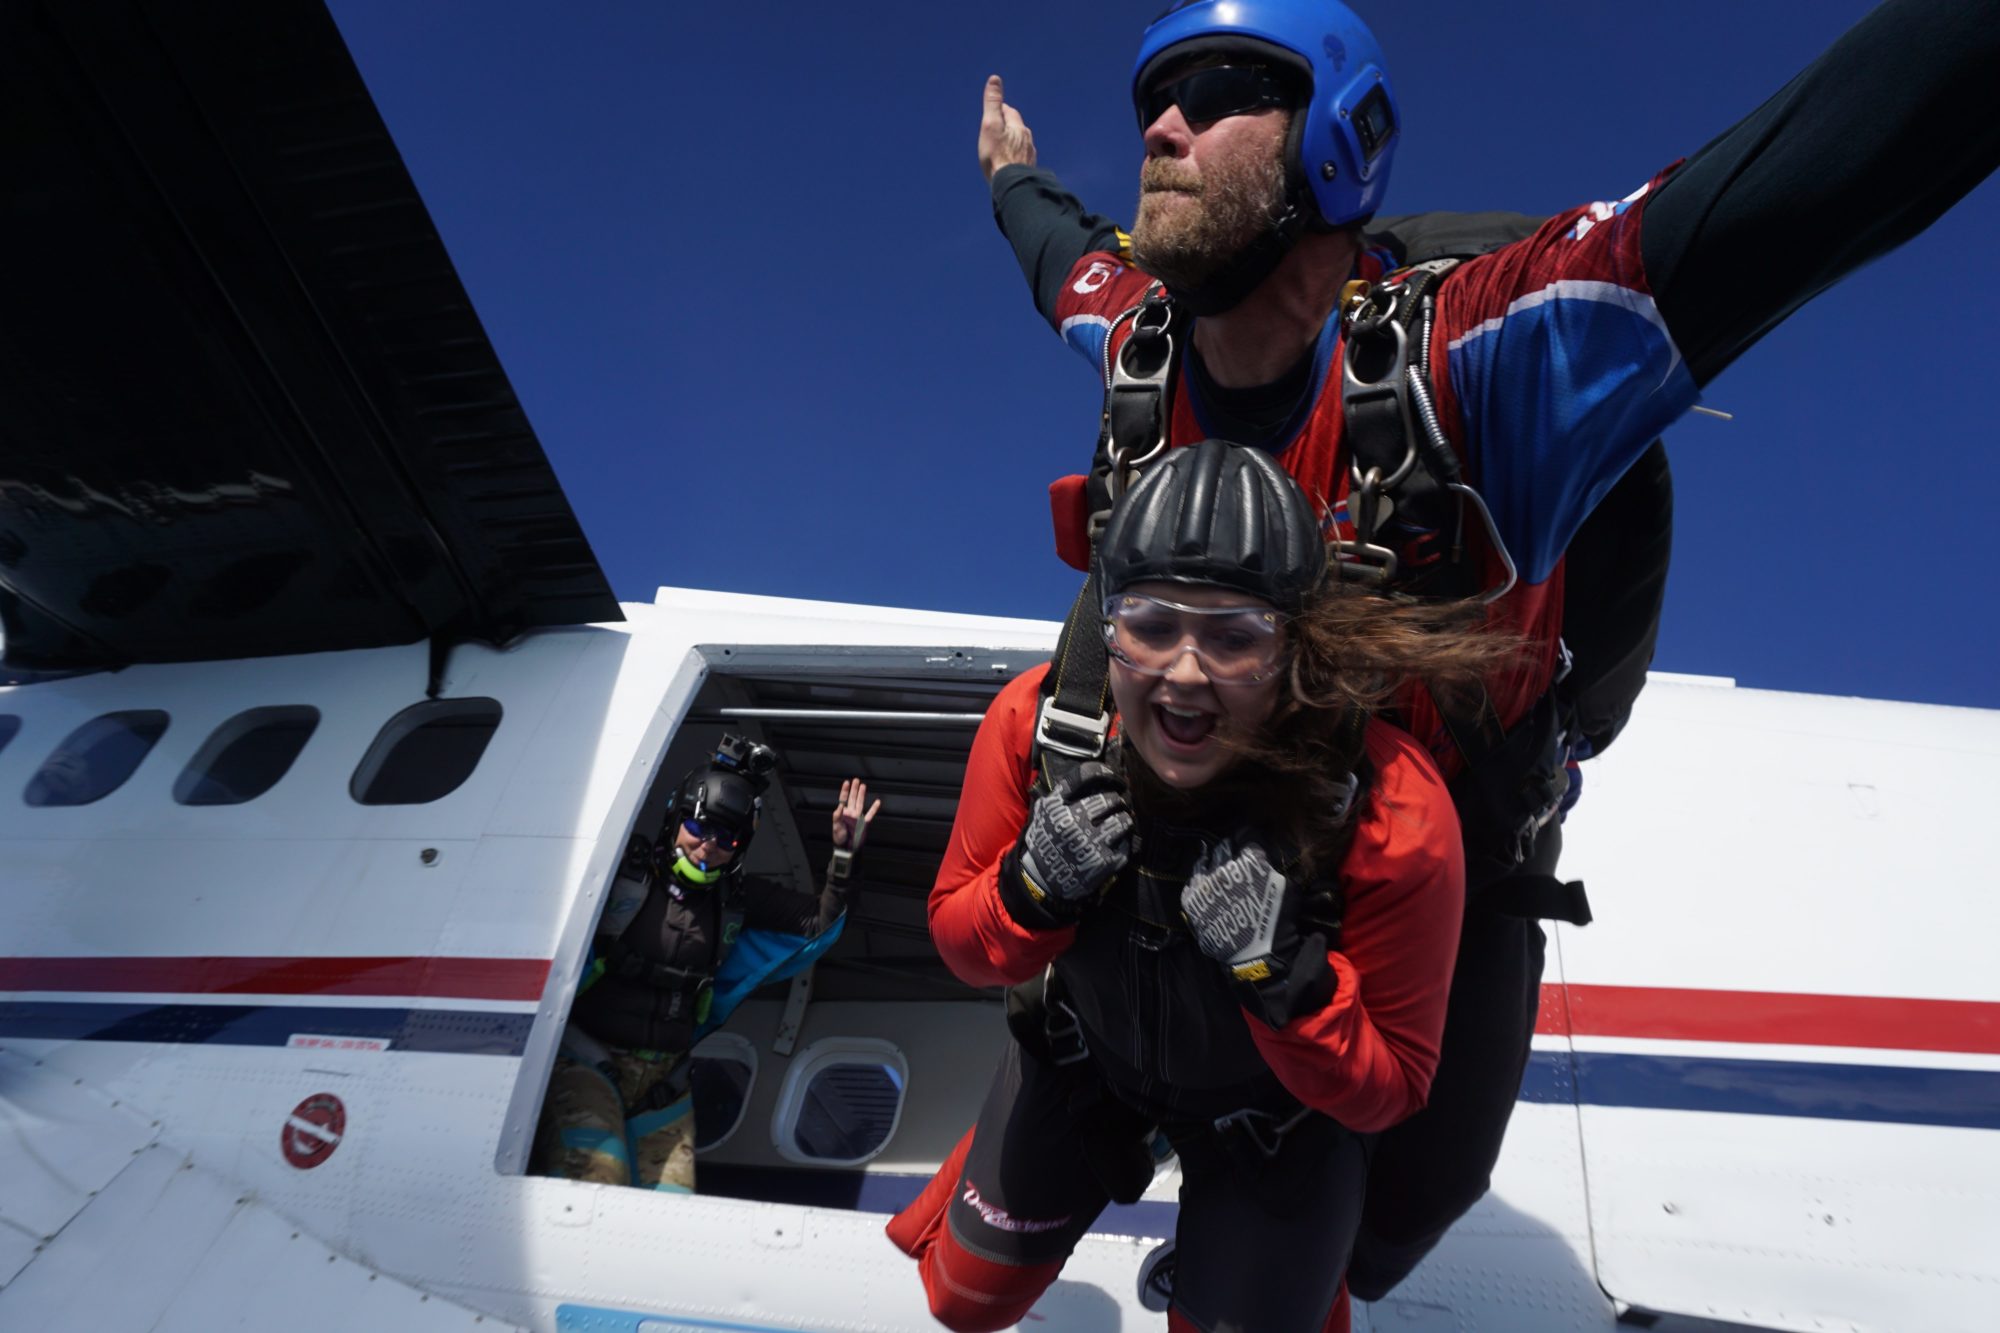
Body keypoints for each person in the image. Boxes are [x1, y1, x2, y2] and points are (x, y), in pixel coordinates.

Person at [976, 0, 2000, 1300]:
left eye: (1223, 86)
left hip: (1425, 898)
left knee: (1401, 1218)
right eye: (1151, 102)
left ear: (1341, 144)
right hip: (1180, 862)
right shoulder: (1143, 340)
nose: (1160, 125)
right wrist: (1014, 173)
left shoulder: (1484, 364)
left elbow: (1808, 174)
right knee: (1030, 1192)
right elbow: (1059, 255)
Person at [887, 440, 1514, 1333]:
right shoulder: (1039, 727)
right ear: (1108, 626)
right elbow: (957, 934)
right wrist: (1030, 893)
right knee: (964, 1301)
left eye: (1235, 638)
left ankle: (1308, 1265)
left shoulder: (1391, 808)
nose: (1185, 672)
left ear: (1297, 652)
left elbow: (1396, 1085)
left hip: (1277, 1122)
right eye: (1150, 624)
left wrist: (1283, 976)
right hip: (1085, 1060)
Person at [535, 734, 880, 1192]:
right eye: (698, 828)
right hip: (584, 1061)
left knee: (670, 1207)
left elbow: (821, 922)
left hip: (665, 1080)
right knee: (598, 1180)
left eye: (726, 837)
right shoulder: (623, 874)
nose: (707, 846)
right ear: (676, 819)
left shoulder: (736, 899)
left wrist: (844, 853)